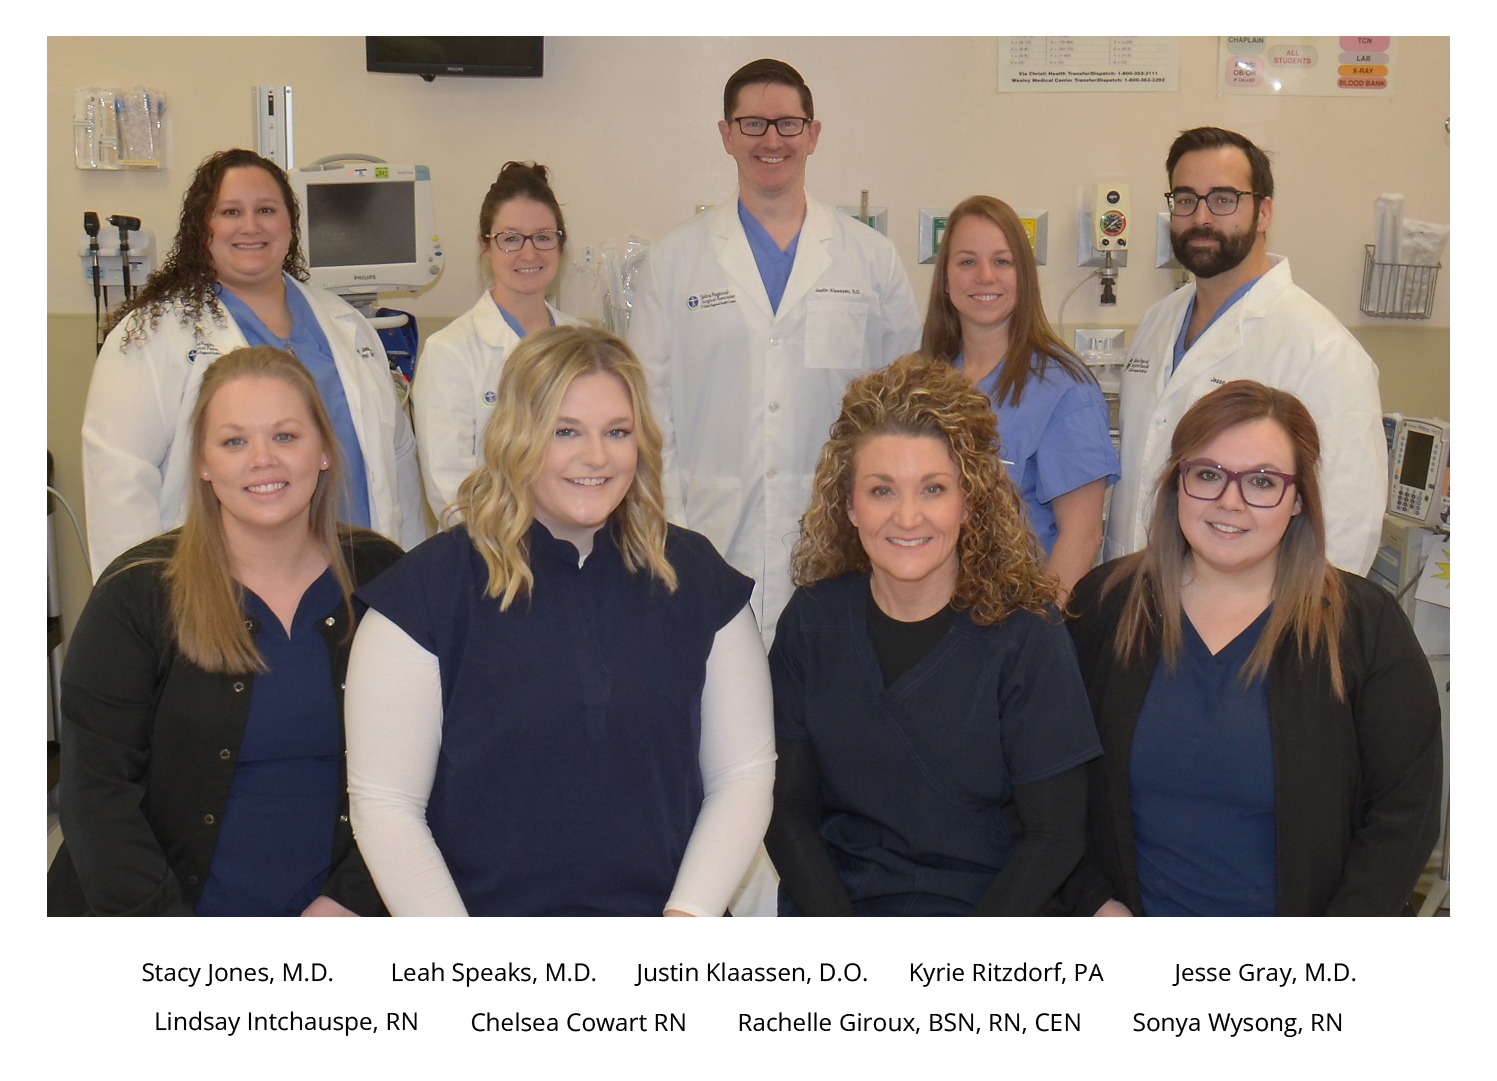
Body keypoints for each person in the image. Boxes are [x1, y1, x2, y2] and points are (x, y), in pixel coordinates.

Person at [345, 324, 774, 915]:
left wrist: (685, 929)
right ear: (517, 436)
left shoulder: (697, 578)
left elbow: (743, 774)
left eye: (617, 432)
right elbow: (386, 805)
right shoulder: (425, 596)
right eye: (565, 431)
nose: (596, 457)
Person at [50, 346, 403, 916]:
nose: (263, 460)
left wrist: (352, 902)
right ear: (203, 464)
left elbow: (432, 768)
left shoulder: (384, 578)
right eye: (234, 441)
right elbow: (97, 797)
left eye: (286, 436)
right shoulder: (138, 594)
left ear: (323, 453)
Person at [1067, 380, 1441, 916]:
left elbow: (1407, 814)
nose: (1229, 502)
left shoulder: (1364, 627)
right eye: (1208, 474)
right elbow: (1050, 785)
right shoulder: (1105, 608)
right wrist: (1095, 902)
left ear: (1296, 500)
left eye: (1262, 482)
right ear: (1178, 482)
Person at [765, 355, 1101, 916]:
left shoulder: (1026, 637)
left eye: (933, 489)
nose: (908, 517)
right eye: (881, 491)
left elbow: (1055, 836)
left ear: (969, 501)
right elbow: (785, 808)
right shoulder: (813, 622)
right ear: (848, 504)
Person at [629, 58, 921, 640]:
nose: (771, 140)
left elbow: (902, 411)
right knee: (719, 714)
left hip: (840, 540)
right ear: (725, 135)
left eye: (788, 124)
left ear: (813, 135)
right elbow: (646, 410)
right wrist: (671, 530)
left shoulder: (869, 258)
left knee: (820, 715)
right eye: (753, 124)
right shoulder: (674, 261)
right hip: (705, 536)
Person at [82, 147, 425, 577]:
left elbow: (397, 464)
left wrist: (414, 586)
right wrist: (139, 617)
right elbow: (119, 483)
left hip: (362, 578)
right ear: (200, 228)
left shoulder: (346, 325)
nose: (250, 226)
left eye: (266, 209)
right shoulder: (152, 334)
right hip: (221, 590)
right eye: (229, 212)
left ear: (289, 223)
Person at [1104, 126, 1386, 575]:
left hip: (1250, 619)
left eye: (1223, 199)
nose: (1201, 218)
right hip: (1134, 595)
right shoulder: (1158, 322)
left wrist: (1289, 635)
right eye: (1185, 199)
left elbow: (1348, 525)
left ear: (1264, 212)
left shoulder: (1323, 351)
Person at [922, 195, 1119, 596]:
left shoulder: (1064, 388)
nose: (985, 277)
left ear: (1023, 275)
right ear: (945, 279)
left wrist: (1036, 637)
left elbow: (1081, 537)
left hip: (1013, 622)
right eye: (966, 262)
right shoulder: (921, 379)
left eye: (1002, 261)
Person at [412, 161, 585, 520]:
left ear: (560, 243)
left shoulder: (584, 343)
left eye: (542, 236)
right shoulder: (450, 351)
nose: (529, 253)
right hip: (494, 555)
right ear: (485, 246)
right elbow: (450, 492)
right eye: (510, 239)